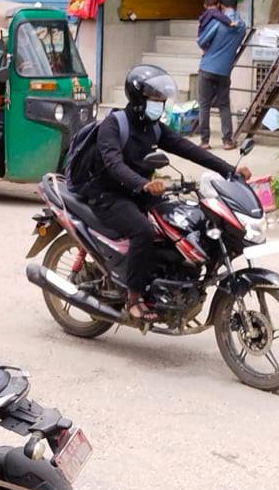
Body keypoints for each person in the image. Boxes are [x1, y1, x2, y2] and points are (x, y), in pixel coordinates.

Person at [81, 65, 251, 320]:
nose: (159, 106)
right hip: (108, 195)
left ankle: (167, 278)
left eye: (162, 101)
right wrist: (143, 183)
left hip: (138, 191)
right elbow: (113, 164)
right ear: (139, 99)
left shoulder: (154, 127)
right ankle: (134, 297)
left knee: (185, 223)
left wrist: (230, 171)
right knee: (143, 231)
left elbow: (189, 149)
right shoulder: (114, 125)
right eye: (155, 100)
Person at [197, 0, 246, 150]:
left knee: (204, 105)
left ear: (222, 7)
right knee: (224, 105)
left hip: (207, 68)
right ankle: (227, 141)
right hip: (225, 71)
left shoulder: (218, 22)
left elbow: (202, 41)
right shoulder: (242, 26)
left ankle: (205, 141)